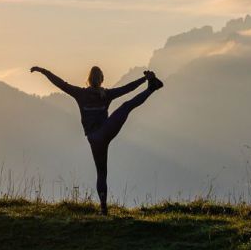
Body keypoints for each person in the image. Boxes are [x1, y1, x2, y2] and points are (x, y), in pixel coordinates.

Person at [31, 64, 162, 215]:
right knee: (127, 106)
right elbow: (127, 88)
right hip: (106, 131)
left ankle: (103, 208)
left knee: (101, 173)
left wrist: (42, 71)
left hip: (94, 139)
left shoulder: (79, 93)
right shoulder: (106, 94)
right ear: (102, 79)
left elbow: (59, 83)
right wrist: (144, 79)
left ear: (88, 79)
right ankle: (151, 88)